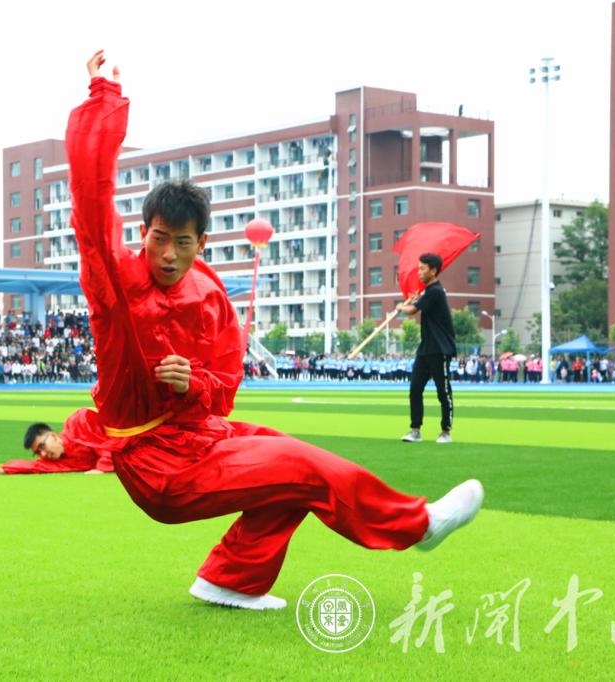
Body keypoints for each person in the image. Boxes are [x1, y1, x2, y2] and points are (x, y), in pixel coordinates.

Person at [63, 50, 483, 611]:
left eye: (181, 243)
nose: (166, 255)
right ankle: (416, 526)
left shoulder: (210, 295)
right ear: (144, 233)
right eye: (158, 239)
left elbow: (223, 392)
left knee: (291, 458)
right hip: (153, 463)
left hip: (201, 438)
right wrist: (104, 98)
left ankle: (231, 579)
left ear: (201, 244)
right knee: (301, 468)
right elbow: (91, 207)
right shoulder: (115, 287)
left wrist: (193, 383)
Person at [395, 254, 457, 444]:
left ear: (433, 271)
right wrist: (417, 300)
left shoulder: (436, 291)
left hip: (440, 349)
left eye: (422, 269)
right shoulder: (429, 292)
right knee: (415, 389)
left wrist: (400, 307)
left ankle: (445, 431)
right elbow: (420, 304)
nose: (419, 272)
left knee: (443, 392)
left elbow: (413, 310)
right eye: (419, 268)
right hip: (425, 350)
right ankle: (415, 430)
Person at [0, 408, 115, 476]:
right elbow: (32, 466)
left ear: (53, 436)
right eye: (38, 452)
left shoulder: (78, 421)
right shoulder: (56, 461)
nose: (43, 454)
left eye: (42, 446)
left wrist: (101, 468)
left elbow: (108, 444)